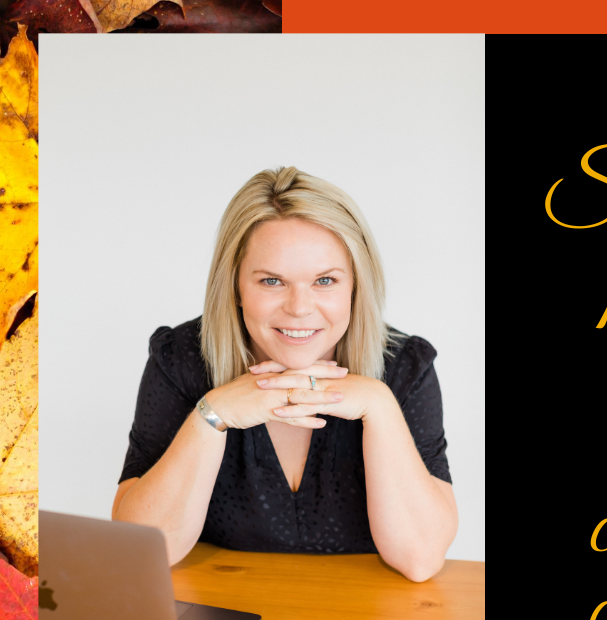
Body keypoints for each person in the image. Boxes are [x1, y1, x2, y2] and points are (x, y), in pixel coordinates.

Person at [112, 167, 457, 581]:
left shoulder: (404, 367)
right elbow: (139, 551)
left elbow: (420, 560)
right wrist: (213, 413)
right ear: (236, 286)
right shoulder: (182, 358)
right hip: (223, 616)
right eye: (272, 281)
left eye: (325, 280)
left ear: (355, 286)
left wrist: (379, 405)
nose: (299, 308)